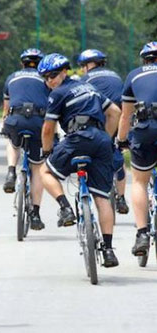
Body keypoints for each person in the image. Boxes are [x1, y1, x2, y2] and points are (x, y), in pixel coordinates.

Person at [37, 53, 121, 267]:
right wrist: (107, 138)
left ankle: (65, 208)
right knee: (102, 196)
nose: (49, 81)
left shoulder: (58, 94)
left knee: (45, 172)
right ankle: (109, 250)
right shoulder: (89, 88)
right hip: (101, 140)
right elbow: (115, 112)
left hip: (76, 138)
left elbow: (48, 129)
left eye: (53, 75)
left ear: (65, 71)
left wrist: (47, 153)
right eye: (45, 78)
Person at [0, 48, 49, 230]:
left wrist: (5, 125)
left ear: (22, 63)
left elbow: (6, 109)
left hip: (15, 120)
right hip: (38, 122)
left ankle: (11, 171)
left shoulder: (11, 77)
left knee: (12, 141)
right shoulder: (47, 78)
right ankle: (35, 214)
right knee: (37, 168)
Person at [117, 41, 157, 258]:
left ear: (144, 59)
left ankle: (142, 234)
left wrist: (121, 140)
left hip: (145, 129)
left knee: (140, 181)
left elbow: (125, 116)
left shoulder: (134, 75)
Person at [77, 49, 129, 214]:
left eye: (84, 65)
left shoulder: (84, 80)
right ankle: (121, 198)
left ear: (89, 65)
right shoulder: (116, 76)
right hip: (119, 118)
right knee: (117, 152)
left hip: (98, 120)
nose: (83, 69)